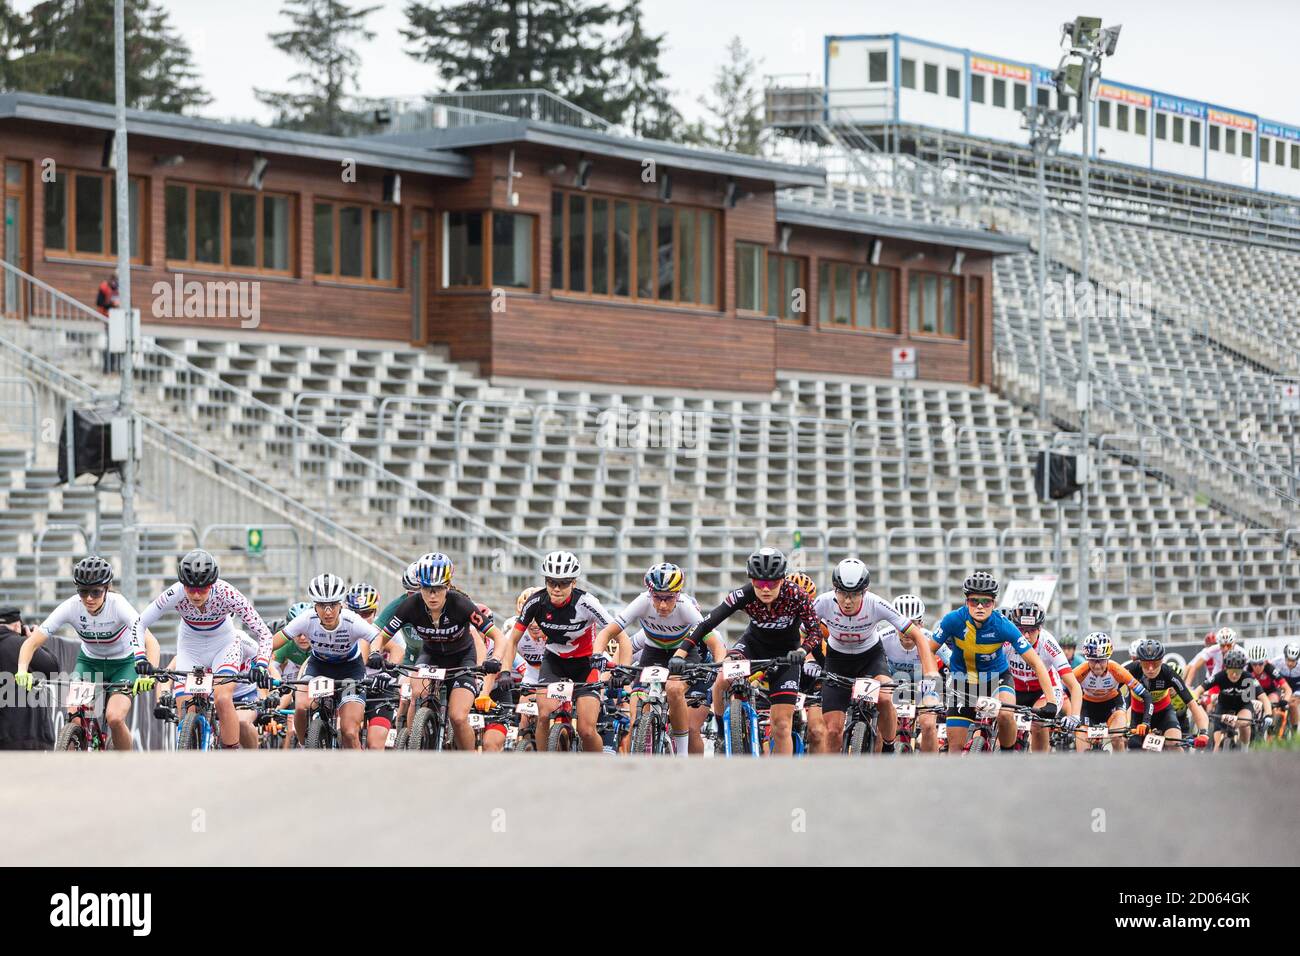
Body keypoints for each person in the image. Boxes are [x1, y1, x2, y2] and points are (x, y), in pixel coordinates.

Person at [670, 547, 825, 756]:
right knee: (723, 678)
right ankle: (721, 733)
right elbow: (706, 623)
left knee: (781, 726)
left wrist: (802, 649)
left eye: (772, 583)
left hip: (787, 655)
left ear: (782, 580)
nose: (766, 589)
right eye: (759, 583)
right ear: (751, 580)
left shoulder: (797, 595)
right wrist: (680, 653)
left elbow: (815, 631)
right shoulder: (744, 594)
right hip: (752, 646)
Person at [15, 555, 159, 751]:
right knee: (74, 715)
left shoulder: (118, 605)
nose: (89, 598)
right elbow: (31, 643)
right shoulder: (72, 606)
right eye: (83, 592)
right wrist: (22, 670)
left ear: (106, 589)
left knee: (115, 718)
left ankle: (126, 766)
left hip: (123, 665)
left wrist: (148, 674)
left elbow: (151, 641)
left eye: (96, 592)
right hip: (90, 663)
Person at [133, 549, 274, 749]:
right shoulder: (175, 592)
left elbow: (264, 633)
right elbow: (139, 623)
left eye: (203, 588)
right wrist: (140, 657)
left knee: (223, 698)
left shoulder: (227, 592)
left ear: (212, 584)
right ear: (183, 584)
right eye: (191, 588)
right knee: (183, 703)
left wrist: (261, 665)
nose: (196, 594)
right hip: (190, 646)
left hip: (224, 644)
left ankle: (230, 751)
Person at [594, 562, 725, 757]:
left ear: (678, 594)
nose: (663, 605)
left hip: (684, 654)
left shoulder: (686, 607)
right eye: (657, 598)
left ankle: (682, 754)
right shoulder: (642, 601)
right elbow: (609, 632)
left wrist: (720, 667)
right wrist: (599, 657)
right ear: (650, 593)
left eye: (669, 598)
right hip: (653, 654)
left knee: (674, 691)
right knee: (636, 709)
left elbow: (716, 645)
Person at [929, 571, 1058, 753]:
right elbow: (928, 649)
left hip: (997, 679)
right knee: (955, 751)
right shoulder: (952, 620)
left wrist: (1051, 701)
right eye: (974, 601)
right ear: (966, 602)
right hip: (963, 683)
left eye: (986, 602)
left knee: (1006, 714)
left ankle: (1006, 754)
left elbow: (1037, 663)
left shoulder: (1003, 625)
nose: (980, 607)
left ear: (994, 604)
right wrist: (929, 678)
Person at [510, 551, 610, 753]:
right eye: (551, 582)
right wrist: (504, 670)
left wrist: (614, 667)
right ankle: (544, 761)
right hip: (554, 661)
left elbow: (618, 634)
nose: (556, 588)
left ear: (573, 583)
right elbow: (511, 640)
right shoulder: (536, 602)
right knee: (544, 714)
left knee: (587, 730)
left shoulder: (587, 603)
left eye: (563, 583)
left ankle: (600, 768)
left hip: (586, 664)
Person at [0, 606, 60, 750]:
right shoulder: (21, 645)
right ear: (17, 625)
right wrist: (33, 642)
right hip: (24, 736)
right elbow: (53, 669)